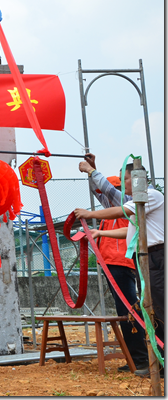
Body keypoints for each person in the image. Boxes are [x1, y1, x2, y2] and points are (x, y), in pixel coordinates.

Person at [74, 161, 164, 376]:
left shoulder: (150, 196)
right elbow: (130, 231)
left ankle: (152, 361)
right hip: (142, 258)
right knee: (151, 310)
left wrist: (90, 214)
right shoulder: (137, 203)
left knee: (158, 309)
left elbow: (117, 205)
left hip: (155, 256)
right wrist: (100, 233)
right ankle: (159, 363)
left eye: (124, 179)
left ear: (137, 179)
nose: (122, 185)